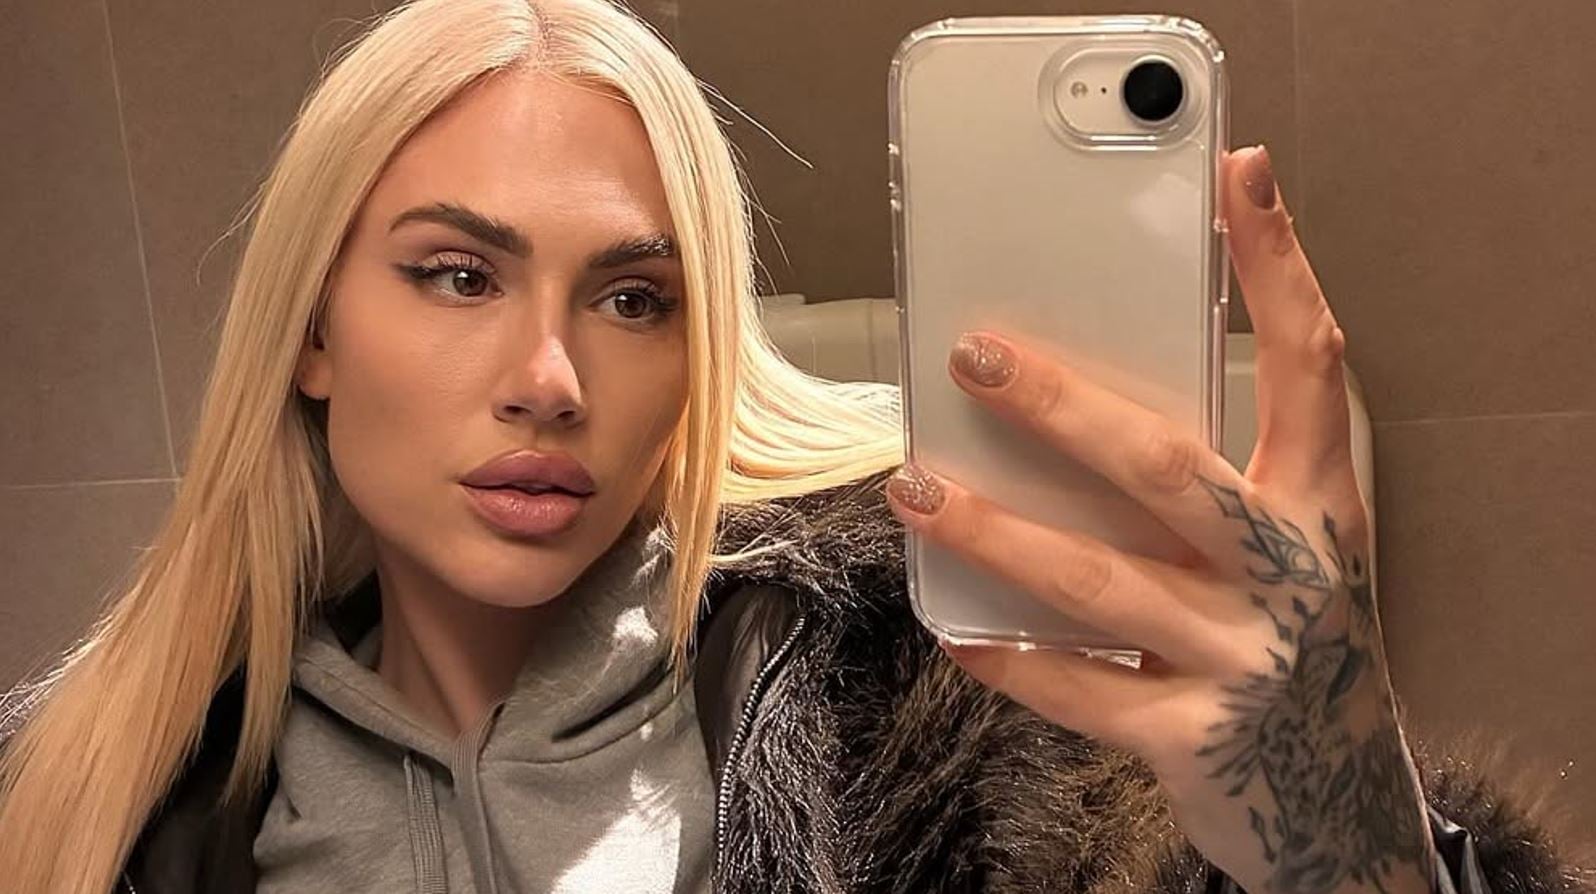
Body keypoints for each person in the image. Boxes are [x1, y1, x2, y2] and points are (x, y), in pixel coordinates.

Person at [0, 1, 1584, 892]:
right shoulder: (111, 794)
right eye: (458, 275)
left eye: (634, 297)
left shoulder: (932, 727)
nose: (550, 378)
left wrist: (1347, 834)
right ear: (313, 333)